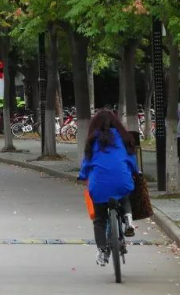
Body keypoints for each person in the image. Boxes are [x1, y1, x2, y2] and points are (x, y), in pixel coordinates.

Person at [77, 109, 139, 267]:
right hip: (122, 180)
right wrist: (134, 171)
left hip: (99, 186)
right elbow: (131, 159)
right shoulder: (124, 138)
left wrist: (83, 176)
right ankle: (128, 219)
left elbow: (87, 163)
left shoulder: (92, 140)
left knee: (99, 220)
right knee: (124, 192)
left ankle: (102, 250)